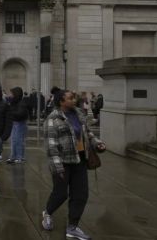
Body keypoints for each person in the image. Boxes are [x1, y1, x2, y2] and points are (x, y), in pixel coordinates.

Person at [42, 90, 106, 240]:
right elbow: (51, 147)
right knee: (61, 193)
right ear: (61, 102)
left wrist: (97, 143)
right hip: (63, 162)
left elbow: (88, 133)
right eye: (70, 98)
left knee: (81, 194)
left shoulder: (78, 113)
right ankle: (48, 212)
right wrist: (58, 167)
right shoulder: (52, 119)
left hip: (80, 160)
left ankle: (72, 227)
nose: (74, 100)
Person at [7, 87, 29, 164]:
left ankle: (19, 157)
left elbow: (21, 114)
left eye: (12, 94)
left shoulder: (21, 103)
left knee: (19, 141)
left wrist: (10, 112)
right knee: (14, 141)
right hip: (15, 123)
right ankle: (13, 156)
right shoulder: (14, 102)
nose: (10, 95)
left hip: (20, 123)